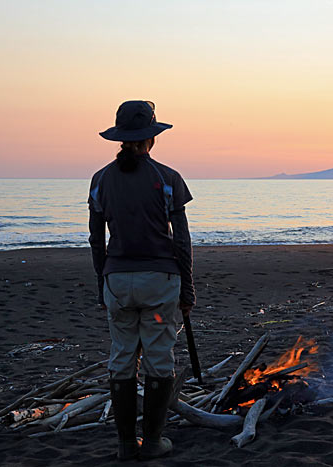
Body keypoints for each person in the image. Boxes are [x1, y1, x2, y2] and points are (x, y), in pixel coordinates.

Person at [88, 100, 195, 460]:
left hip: (117, 280)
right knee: (159, 358)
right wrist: (188, 289)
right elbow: (181, 239)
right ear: (152, 138)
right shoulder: (168, 179)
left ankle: (123, 444)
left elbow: (96, 238)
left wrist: (103, 282)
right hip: (160, 281)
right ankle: (151, 441)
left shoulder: (100, 180)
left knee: (121, 358)